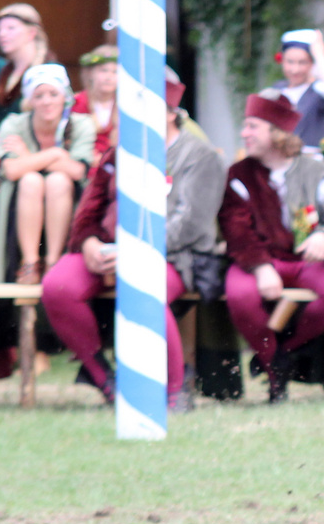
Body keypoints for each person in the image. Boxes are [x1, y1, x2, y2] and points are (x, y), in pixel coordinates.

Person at [41, 69, 222, 410]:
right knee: (57, 287)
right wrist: (91, 243)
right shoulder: (119, 152)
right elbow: (89, 211)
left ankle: (174, 389)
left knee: (144, 284)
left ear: (170, 113)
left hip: (173, 256)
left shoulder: (200, 156)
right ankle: (103, 377)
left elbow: (192, 223)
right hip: (109, 249)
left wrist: (137, 251)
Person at [218, 90, 324, 401]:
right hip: (260, 258)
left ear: (276, 132)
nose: (245, 134)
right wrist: (260, 267)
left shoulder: (317, 171)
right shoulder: (238, 175)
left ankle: (284, 351)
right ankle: (274, 371)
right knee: (241, 295)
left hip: (307, 260)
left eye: (253, 126)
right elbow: (236, 230)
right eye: (245, 126)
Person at [0, 64, 94, 288]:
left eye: (53, 94)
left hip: (70, 197)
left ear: (65, 96)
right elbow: (10, 170)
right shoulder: (14, 124)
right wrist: (56, 154)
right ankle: (30, 262)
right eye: (39, 96)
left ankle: (53, 261)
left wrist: (29, 157)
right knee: (31, 180)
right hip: (20, 202)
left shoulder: (81, 124)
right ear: (30, 100)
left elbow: (79, 170)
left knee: (57, 180)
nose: (47, 101)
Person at [273, 29, 324, 152]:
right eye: (290, 62)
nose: (295, 69)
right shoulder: (277, 89)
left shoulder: (319, 91)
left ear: (313, 63)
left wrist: (319, 54)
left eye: (302, 62)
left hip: (309, 165)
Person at [0, 3, 54, 133]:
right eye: (0, 29)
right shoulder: (2, 70)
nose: (2, 34)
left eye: (10, 28)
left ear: (31, 33)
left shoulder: (48, 70)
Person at [72, 45, 118, 159]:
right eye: (104, 71)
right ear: (90, 73)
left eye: (115, 72)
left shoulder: (126, 106)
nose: (109, 77)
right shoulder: (77, 102)